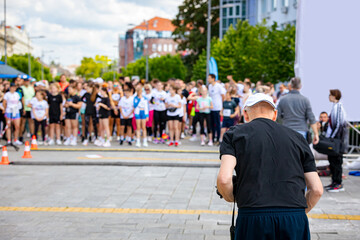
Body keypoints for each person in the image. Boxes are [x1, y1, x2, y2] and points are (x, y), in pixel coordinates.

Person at [217, 93, 323, 240]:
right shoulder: (298, 138)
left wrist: (231, 198)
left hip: (253, 215)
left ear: (245, 115)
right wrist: (298, 212)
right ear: (274, 115)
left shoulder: (234, 135)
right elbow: (317, 189)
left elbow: (224, 179)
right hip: (294, 216)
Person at [277, 77, 319, 145]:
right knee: (300, 153)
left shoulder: (283, 99)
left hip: (287, 129)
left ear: (290, 86)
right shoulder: (305, 100)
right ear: (300, 86)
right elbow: (311, 118)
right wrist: (316, 134)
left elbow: (277, 115)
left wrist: (282, 122)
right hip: (301, 131)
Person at [324, 89, 347, 193]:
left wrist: (332, 138)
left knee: (337, 162)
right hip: (334, 139)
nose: (329, 97)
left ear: (334, 96)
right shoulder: (334, 107)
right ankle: (334, 182)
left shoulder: (338, 107)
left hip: (336, 140)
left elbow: (338, 124)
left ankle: (338, 183)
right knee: (332, 161)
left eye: (330, 95)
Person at [208, 74, 225, 144]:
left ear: (213, 78)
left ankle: (218, 138)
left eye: (209, 78)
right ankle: (212, 138)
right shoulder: (209, 86)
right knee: (211, 124)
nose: (208, 79)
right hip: (211, 107)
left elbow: (223, 95)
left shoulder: (219, 86)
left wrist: (222, 107)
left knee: (217, 124)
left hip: (217, 107)